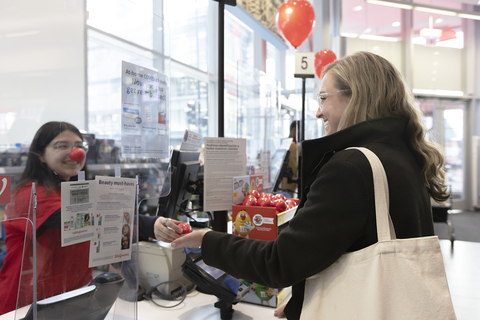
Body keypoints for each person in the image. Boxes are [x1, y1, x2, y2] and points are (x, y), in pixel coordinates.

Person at [169, 51, 450, 320]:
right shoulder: (405, 156)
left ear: (356, 98)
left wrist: (207, 240)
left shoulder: (351, 168)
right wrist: (304, 298)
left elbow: (278, 263)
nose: (318, 112)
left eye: (324, 98)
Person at [0, 121, 93, 314]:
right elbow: (68, 219)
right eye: (62, 146)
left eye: (78, 146)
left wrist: (152, 223)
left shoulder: (74, 192)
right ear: (41, 155)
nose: (75, 153)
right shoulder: (29, 193)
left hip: (66, 299)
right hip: (24, 306)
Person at [280, 120, 300, 197]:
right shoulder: (292, 145)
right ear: (294, 129)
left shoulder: (286, 142)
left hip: (283, 182)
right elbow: (294, 167)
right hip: (289, 182)